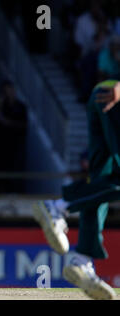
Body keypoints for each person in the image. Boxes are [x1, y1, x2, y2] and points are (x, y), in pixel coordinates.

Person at [33, 80, 120, 300]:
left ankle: (82, 260)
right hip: (113, 96)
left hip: (102, 94)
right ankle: (58, 207)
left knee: (101, 182)